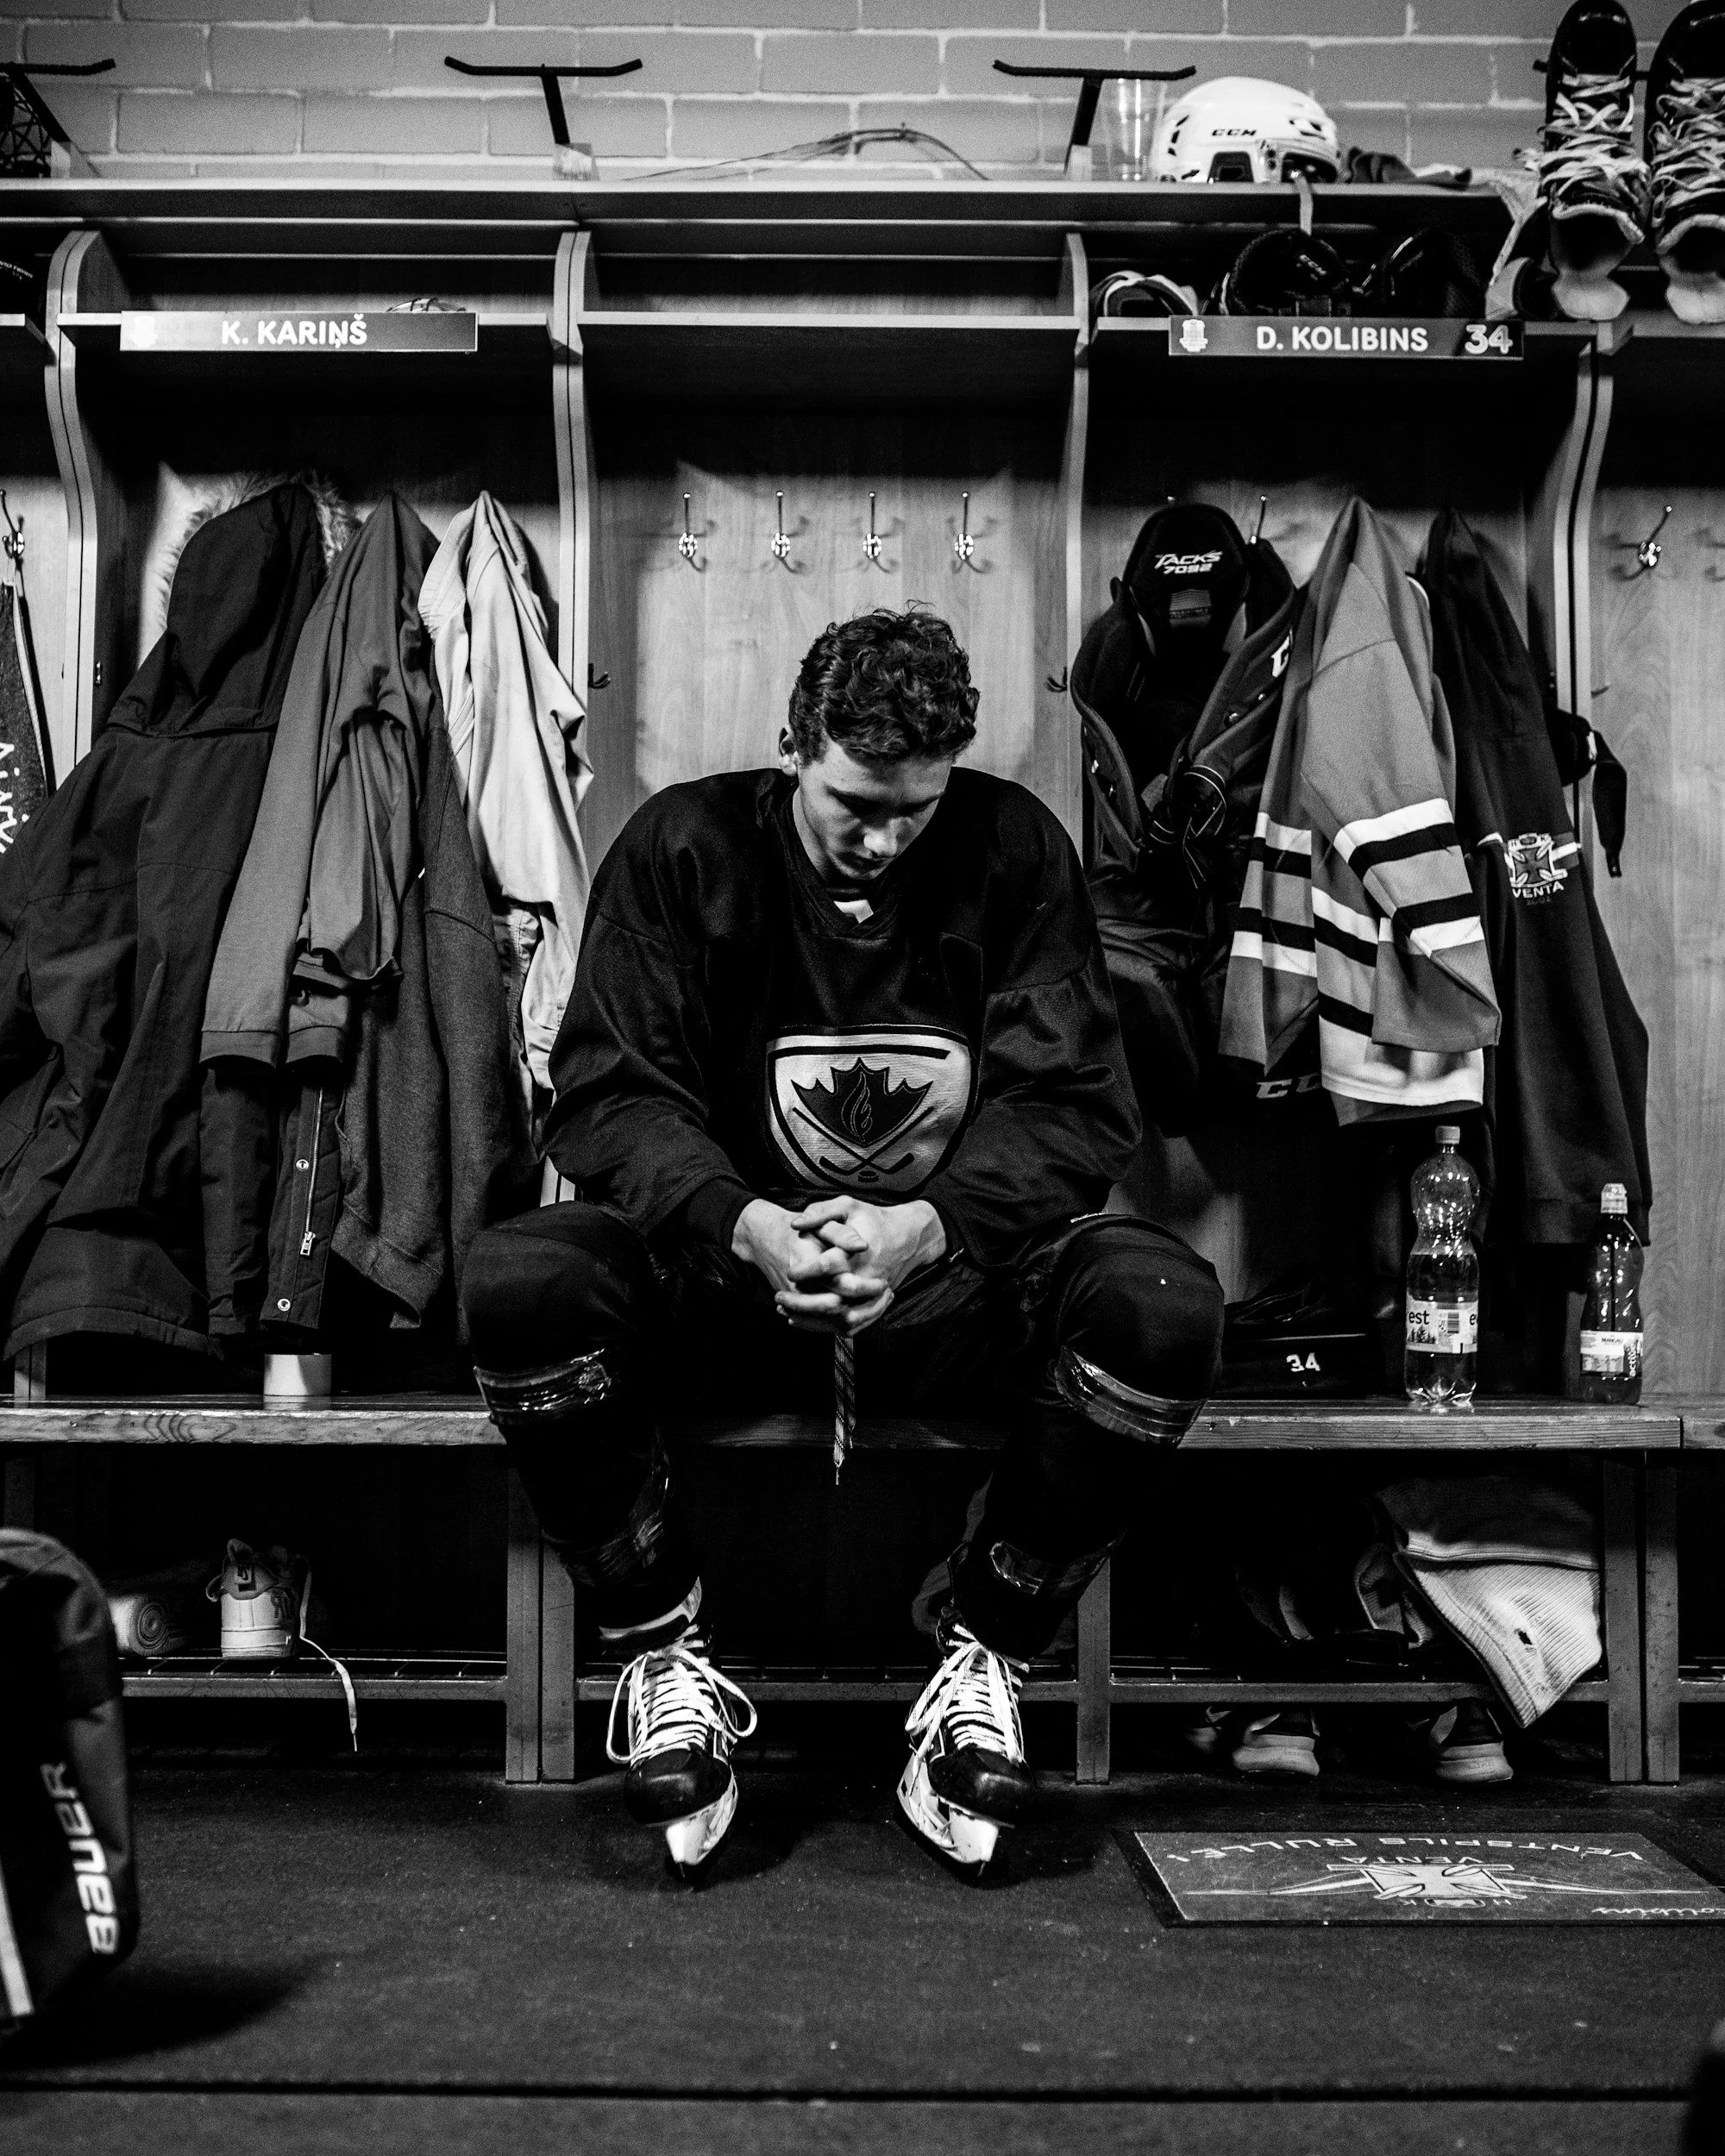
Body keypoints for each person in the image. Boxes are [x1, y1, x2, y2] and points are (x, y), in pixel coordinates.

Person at [461, 608, 1225, 1876]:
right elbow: (610, 1093)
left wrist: (925, 1230)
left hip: (943, 1292)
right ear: (793, 750)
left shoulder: (1014, 850)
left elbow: (1077, 1103)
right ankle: (662, 1649)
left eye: (912, 810)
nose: (880, 840)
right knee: (523, 1281)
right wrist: (746, 1224)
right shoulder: (683, 848)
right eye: (852, 805)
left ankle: (984, 1653)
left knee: (1161, 1306)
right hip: (725, 1289)